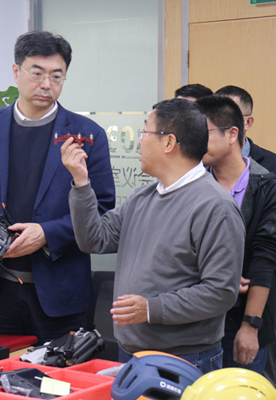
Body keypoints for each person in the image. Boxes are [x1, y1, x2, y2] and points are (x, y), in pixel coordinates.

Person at [61, 98, 245, 373]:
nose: (139, 140)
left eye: (145, 131)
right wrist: (81, 181)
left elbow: (221, 292)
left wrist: (151, 308)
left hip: (184, 357)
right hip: (131, 350)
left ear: (169, 142)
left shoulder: (215, 206)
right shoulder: (143, 196)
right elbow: (94, 239)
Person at [0, 31, 115, 342]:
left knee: (59, 373)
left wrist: (47, 234)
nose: (46, 84)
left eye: (56, 76)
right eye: (37, 73)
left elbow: (102, 210)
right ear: (17, 72)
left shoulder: (87, 134)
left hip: (60, 294)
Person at [215, 85, 276, 391]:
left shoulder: (273, 169)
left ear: (245, 124)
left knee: (259, 385)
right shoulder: (202, 171)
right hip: (209, 312)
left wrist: (263, 283)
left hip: (255, 305)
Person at [196, 95, 276, 379]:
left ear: (232, 134)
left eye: (204, 133)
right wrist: (218, 280)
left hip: (242, 319)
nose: (195, 142)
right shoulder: (194, 184)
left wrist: (250, 325)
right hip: (196, 321)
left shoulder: (267, 186)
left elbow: (266, 258)